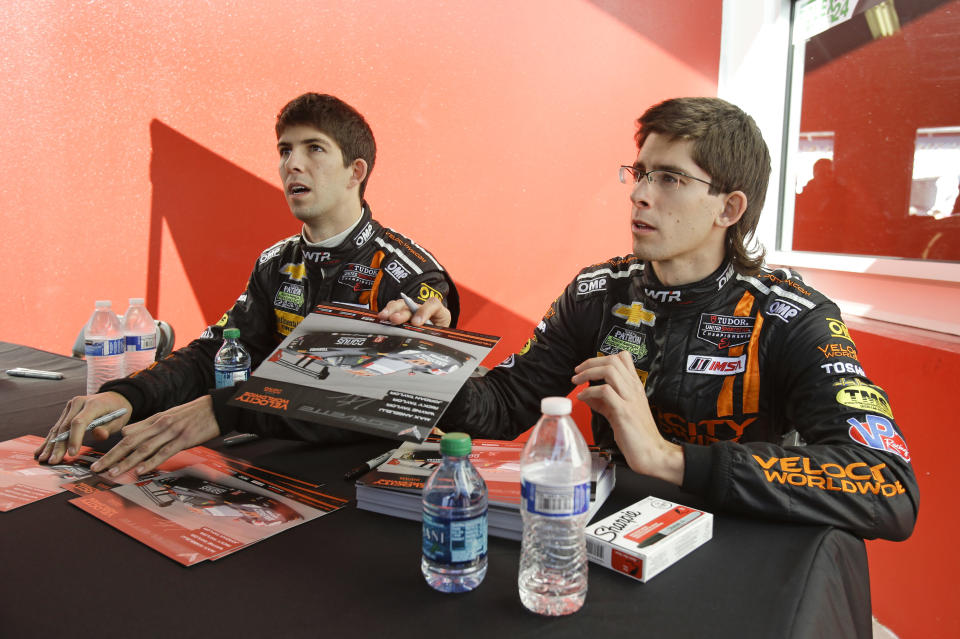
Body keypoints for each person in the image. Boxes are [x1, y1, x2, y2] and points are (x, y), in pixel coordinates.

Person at [393, 97, 918, 541]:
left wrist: (668, 458)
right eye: (641, 172)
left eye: (669, 178)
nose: (638, 193)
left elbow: (888, 485)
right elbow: (506, 405)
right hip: (609, 538)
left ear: (729, 209)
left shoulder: (791, 316)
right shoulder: (597, 292)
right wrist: (435, 358)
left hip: (741, 548)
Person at [36, 93, 459, 477]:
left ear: (356, 172)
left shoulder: (411, 274)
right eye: (284, 150)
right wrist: (129, 395)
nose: (293, 164)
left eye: (314, 148)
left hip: (365, 480)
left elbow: (379, 397)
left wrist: (226, 410)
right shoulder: (276, 263)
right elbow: (216, 351)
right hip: (272, 465)